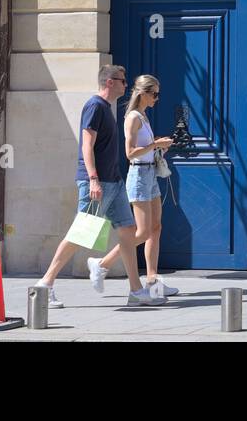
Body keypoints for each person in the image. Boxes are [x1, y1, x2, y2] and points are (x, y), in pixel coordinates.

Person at [35, 64, 164, 308]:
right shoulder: (94, 106)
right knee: (81, 233)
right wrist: (93, 178)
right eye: (123, 81)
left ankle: (136, 291)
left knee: (128, 232)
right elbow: (86, 145)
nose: (126, 85)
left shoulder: (107, 108)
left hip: (114, 182)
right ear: (109, 82)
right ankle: (45, 284)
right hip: (98, 182)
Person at [88, 75, 178, 297]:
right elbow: (129, 153)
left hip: (149, 173)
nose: (157, 98)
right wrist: (155, 144)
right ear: (143, 93)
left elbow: (144, 147)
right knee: (143, 231)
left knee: (156, 228)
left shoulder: (144, 117)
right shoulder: (133, 118)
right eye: (154, 93)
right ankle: (102, 264)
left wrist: (157, 148)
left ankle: (152, 280)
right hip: (138, 175)